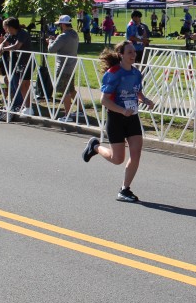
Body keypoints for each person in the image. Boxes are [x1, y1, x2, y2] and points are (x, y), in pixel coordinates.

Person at [81, 41, 154, 203]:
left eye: (134, 52)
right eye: (129, 52)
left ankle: (124, 190)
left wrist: (145, 100)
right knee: (117, 159)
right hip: (116, 119)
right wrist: (121, 110)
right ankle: (95, 146)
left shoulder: (136, 73)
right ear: (121, 55)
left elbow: (137, 92)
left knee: (136, 153)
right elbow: (104, 100)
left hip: (132, 118)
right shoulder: (113, 73)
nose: (133, 55)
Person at [0, 17, 34, 118]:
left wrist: (3, 49)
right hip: (19, 63)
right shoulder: (11, 34)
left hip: (27, 62)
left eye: (7, 28)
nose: (6, 30)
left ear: (11, 27)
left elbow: (17, 46)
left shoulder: (22, 33)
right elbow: (4, 41)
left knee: (24, 84)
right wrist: (1, 46)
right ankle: (27, 107)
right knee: (21, 85)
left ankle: (28, 107)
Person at [48, 14, 80, 121]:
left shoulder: (63, 36)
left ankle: (67, 115)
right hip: (71, 65)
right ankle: (80, 110)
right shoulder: (74, 34)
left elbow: (51, 49)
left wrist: (50, 41)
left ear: (62, 24)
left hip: (63, 67)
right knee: (71, 89)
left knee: (65, 91)